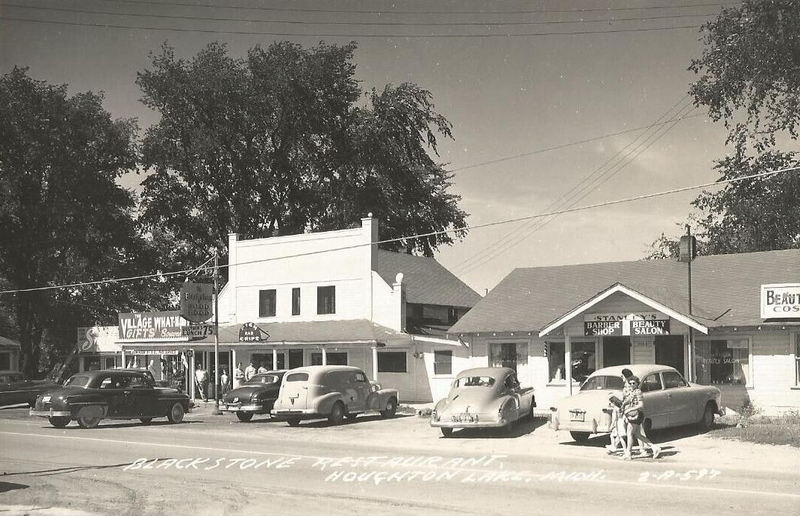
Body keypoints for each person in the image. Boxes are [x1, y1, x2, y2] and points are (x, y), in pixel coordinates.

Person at [621, 376, 661, 460]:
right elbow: (629, 400)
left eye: (633, 383)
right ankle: (654, 447)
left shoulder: (638, 392)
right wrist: (624, 405)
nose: (632, 385)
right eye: (630, 383)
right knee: (637, 434)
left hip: (636, 415)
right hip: (633, 414)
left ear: (637, 384)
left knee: (630, 434)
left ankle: (628, 453)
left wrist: (629, 409)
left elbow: (641, 405)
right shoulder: (632, 392)